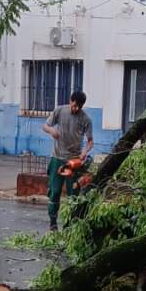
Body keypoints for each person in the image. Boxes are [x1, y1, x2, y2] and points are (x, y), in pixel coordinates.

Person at [43, 89, 94, 230]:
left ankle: (70, 224)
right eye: (74, 105)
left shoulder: (86, 119)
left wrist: (85, 151)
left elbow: (90, 141)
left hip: (74, 161)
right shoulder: (59, 111)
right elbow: (45, 125)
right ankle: (53, 222)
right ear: (70, 101)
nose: (76, 108)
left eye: (79, 107)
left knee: (73, 193)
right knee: (55, 191)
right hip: (57, 158)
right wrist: (51, 130)